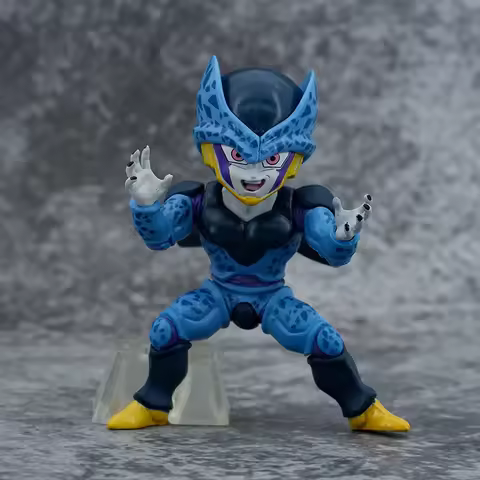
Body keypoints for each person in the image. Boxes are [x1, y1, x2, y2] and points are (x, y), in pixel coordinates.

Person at [107, 56, 410, 433]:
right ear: (212, 150)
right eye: (238, 156)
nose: (254, 174)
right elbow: (159, 236)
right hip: (217, 293)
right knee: (166, 330)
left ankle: (363, 410)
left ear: (293, 159)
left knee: (325, 341)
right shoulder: (198, 201)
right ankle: (152, 405)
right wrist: (146, 206)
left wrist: (343, 237)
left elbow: (330, 250)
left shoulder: (301, 205)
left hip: (272, 297)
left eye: (271, 159)